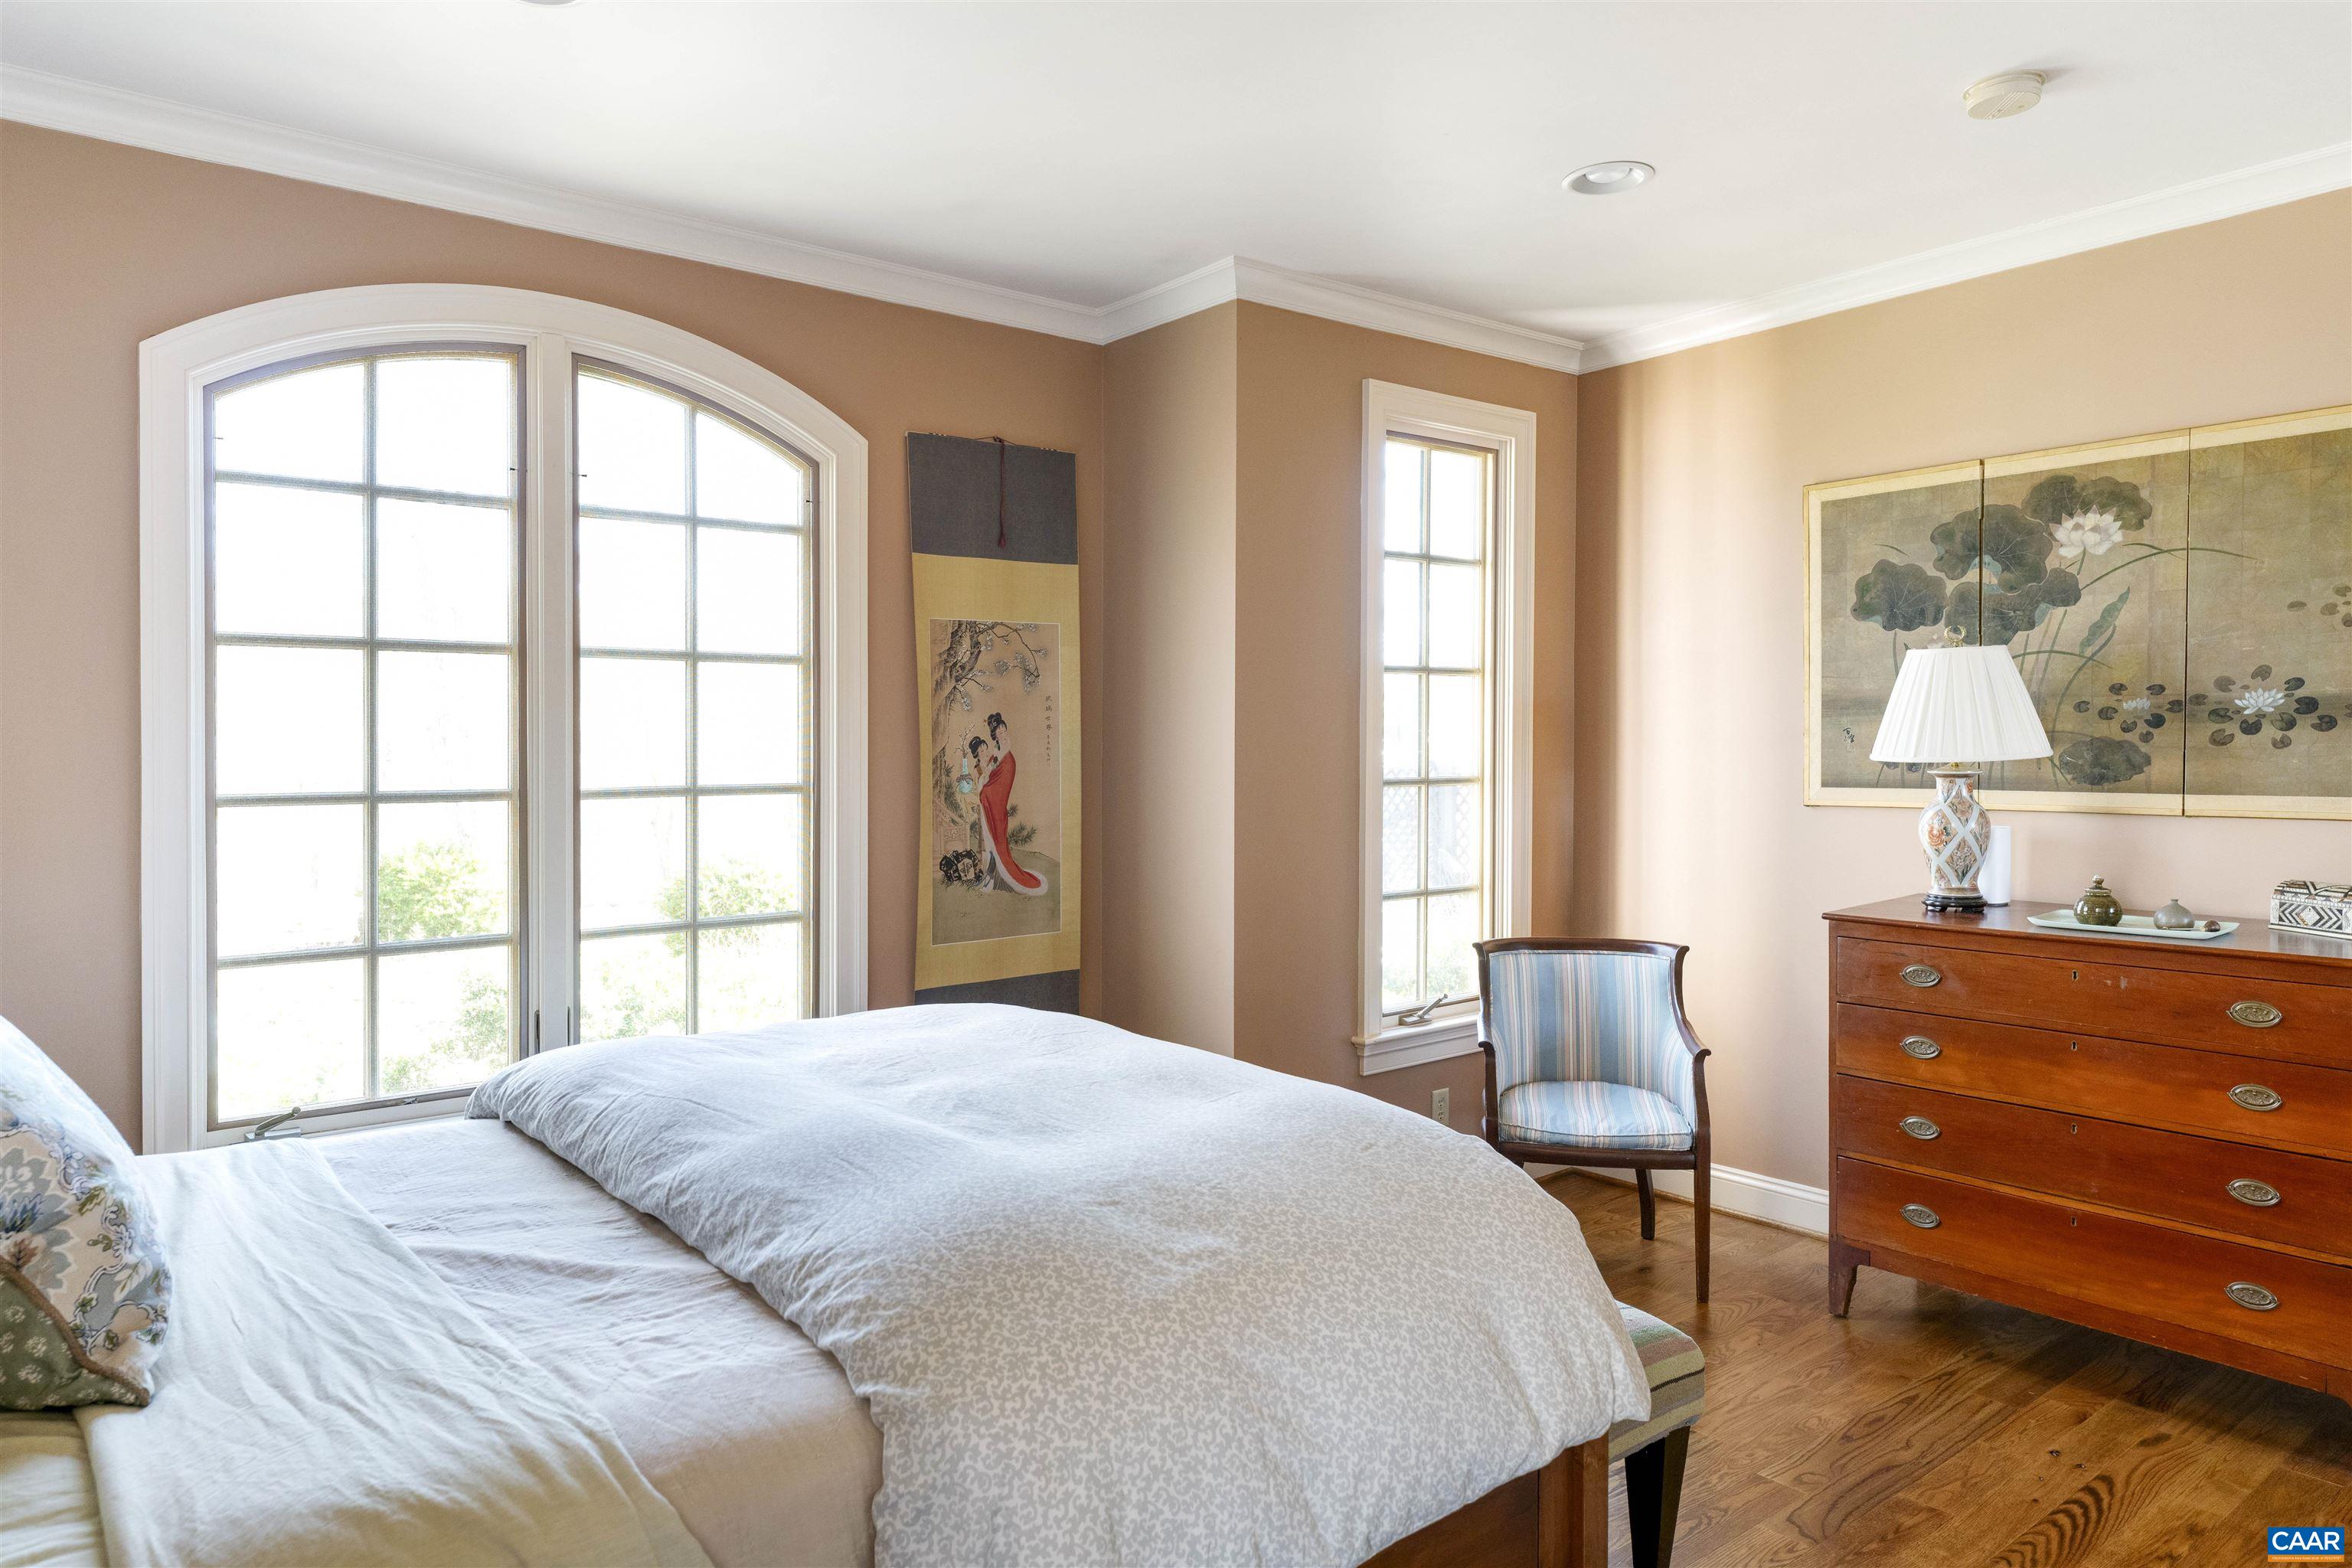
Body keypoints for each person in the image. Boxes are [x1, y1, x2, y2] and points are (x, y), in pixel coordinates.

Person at [974, 712, 1046, 896]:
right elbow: (988, 774)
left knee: (997, 839)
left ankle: (999, 876)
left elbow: (1002, 785)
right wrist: (985, 782)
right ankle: (990, 876)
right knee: (990, 843)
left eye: (1004, 729)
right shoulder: (995, 754)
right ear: (995, 735)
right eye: (1000, 731)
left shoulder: (1007, 756)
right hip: (989, 800)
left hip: (996, 803)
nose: (1004, 733)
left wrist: (987, 789)